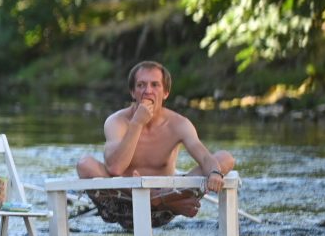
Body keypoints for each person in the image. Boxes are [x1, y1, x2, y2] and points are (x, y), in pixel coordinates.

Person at [77, 60, 236, 227]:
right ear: (132, 92)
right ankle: (160, 199)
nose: (147, 91)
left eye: (155, 85)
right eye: (141, 85)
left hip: (166, 207)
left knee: (224, 159)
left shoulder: (178, 124)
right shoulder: (116, 121)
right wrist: (137, 123)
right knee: (85, 164)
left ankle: (162, 200)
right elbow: (115, 168)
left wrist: (215, 173)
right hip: (122, 203)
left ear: (166, 92)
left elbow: (204, 157)